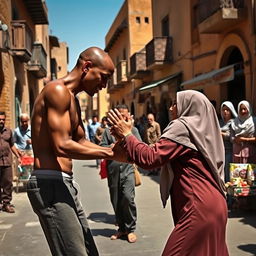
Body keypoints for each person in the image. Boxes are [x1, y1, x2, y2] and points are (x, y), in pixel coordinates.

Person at [108, 90, 228, 256]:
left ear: (189, 107)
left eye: (175, 104)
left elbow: (150, 158)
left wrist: (128, 135)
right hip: (216, 204)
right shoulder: (205, 130)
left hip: (198, 207)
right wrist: (125, 140)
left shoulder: (183, 126)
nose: (171, 108)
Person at [27, 47, 117, 256]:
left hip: (63, 183)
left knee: (88, 252)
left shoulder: (73, 99)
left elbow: (81, 141)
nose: (104, 86)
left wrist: (110, 149)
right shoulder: (56, 91)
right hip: (49, 184)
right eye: (103, 78)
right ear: (86, 67)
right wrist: (109, 154)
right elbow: (62, 144)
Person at [100, 104, 141, 243]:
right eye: (120, 115)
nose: (123, 118)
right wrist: (110, 148)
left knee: (128, 198)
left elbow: (140, 147)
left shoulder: (133, 130)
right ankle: (122, 228)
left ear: (128, 115)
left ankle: (131, 229)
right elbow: (102, 147)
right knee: (116, 199)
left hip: (128, 170)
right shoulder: (108, 132)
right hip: (113, 171)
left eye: (125, 115)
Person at [0, 111, 21, 213]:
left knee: (8, 183)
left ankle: (6, 204)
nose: (1, 121)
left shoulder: (8, 131)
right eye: (0, 119)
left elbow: (12, 145)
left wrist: (18, 155)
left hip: (7, 162)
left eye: (3, 119)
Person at [219, 101, 237, 182]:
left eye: (227, 110)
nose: (225, 112)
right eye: (223, 110)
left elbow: (231, 136)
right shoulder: (219, 122)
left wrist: (220, 134)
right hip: (219, 150)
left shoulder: (234, 122)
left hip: (229, 150)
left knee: (228, 170)